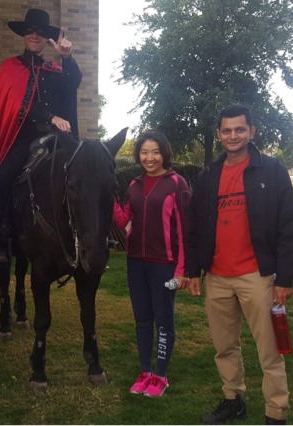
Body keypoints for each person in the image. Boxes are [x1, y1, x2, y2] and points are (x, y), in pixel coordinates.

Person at [186, 104, 293, 426]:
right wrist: (194, 271)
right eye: (226, 130)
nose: (233, 135)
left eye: (239, 129)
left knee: (271, 353)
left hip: (258, 276)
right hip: (217, 277)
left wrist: (285, 277)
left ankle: (276, 414)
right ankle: (233, 400)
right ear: (218, 134)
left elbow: (287, 227)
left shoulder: (272, 170)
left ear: (252, 131)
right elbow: (194, 227)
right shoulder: (208, 175)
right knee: (224, 348)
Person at [0, 8, 82, 264]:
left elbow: (71, 86)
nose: (34, 35)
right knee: (0, 181)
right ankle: (0, 240)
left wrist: (67, 59)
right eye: (30, 31)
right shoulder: (10, 67)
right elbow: (16, 105)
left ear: (47, 38)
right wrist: (49, 117)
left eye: (41, 32)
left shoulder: (55, 69)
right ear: (24, 35)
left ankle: (84, 237)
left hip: (56, 139)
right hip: (22, 137)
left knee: (85, 176)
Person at [113, 131, 190, 397]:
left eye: (155, 151)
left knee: (163, 322)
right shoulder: (134, 185)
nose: (149, 157)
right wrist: (108, 196)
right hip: (136, 263)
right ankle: (145, 372)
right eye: (144, 152)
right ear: (138, 155)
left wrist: (182, 270)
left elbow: (185, 229)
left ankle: (161, 376)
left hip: (165, 266)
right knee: (142, 320)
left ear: (164, 153)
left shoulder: (177, 183)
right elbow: (123, 221)